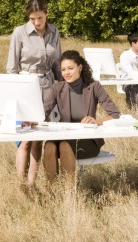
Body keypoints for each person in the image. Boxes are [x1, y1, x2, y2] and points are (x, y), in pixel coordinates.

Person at [5, 0, 62, 189]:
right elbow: (11, 67)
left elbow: (57, 64)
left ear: (47, 14)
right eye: (32, 19)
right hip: (25, 87)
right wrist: (14, 96)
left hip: (47, 87)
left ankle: (31, 184)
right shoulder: (19, 33)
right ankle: (20, 184)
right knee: (25, 139)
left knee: (38, 138)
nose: (36, 23)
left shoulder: (55, 32)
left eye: (39, 18)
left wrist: (62, 88)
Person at [41, 50, 121, 183]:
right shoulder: (57, 87)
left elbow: (115, 114)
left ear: (80, 67)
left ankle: (68, 194)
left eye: (70, 68)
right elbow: (44, 112)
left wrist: (96, 121)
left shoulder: (94, 86)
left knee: (66, 145)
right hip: (64, 136)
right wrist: (31, 120)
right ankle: (52, 192)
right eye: (63, 69)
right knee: (49, 145)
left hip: (87, 140)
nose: (66, 72)